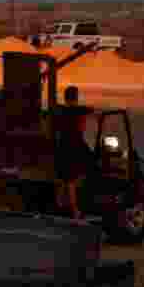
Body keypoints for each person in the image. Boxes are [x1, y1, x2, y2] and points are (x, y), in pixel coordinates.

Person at [54, 85, 92, 219]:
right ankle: (75, 210)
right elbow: (87, 112)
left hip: (61, 148)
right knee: (71, 180)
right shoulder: (78, 112)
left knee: (63, 180)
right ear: (75, 97)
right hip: (73, 148)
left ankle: (59, 207)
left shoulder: (61, 111)